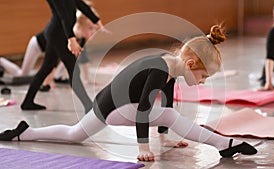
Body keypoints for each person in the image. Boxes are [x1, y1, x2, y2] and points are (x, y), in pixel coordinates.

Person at [0, 25, 257, 161]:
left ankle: (25, 133)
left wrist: (164, 139)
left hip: (111, 103)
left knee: (74, 134)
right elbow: (146, 108)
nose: (202, 83)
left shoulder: (170, 67)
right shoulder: (160, 68)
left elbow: (165, 100)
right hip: (113, 108)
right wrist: (143, 147)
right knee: (166, 115)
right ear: (191, 64)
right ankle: (224, 144)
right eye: (204, 77)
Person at [20, 0, 107, 112]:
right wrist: (71, 39)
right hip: (58, 34)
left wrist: (97, 21)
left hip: (58, 33)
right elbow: (64, 16)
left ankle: (27, 102)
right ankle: (88, 106)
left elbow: (80, 4)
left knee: (47, 68)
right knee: (73, 70)